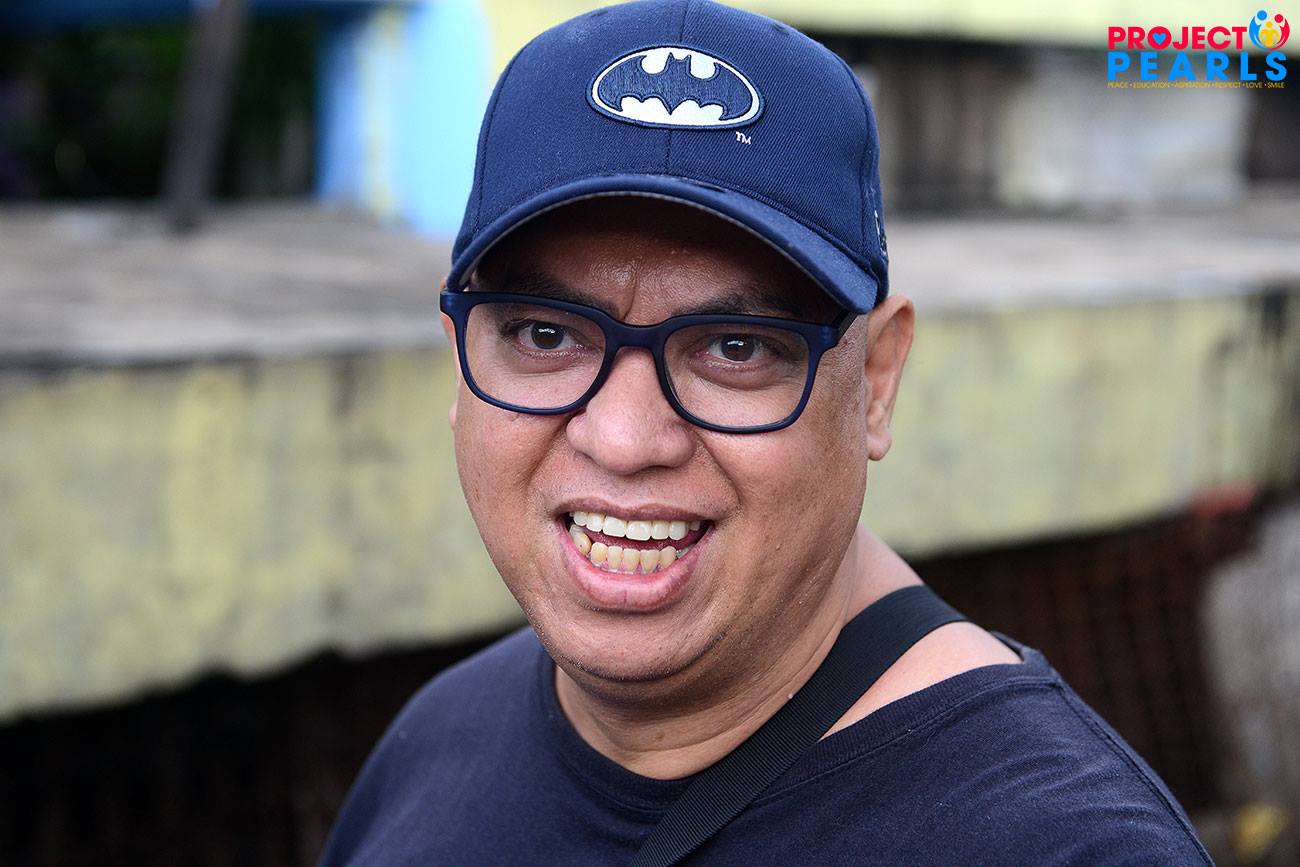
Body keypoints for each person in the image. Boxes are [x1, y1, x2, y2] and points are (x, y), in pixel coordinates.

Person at [320, 1, 1212, 864]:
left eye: (736, 347)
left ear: (875, 382)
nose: (625, 439)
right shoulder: (429, 745)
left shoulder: (1064, 844)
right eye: (546, 335)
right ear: (459, 360)